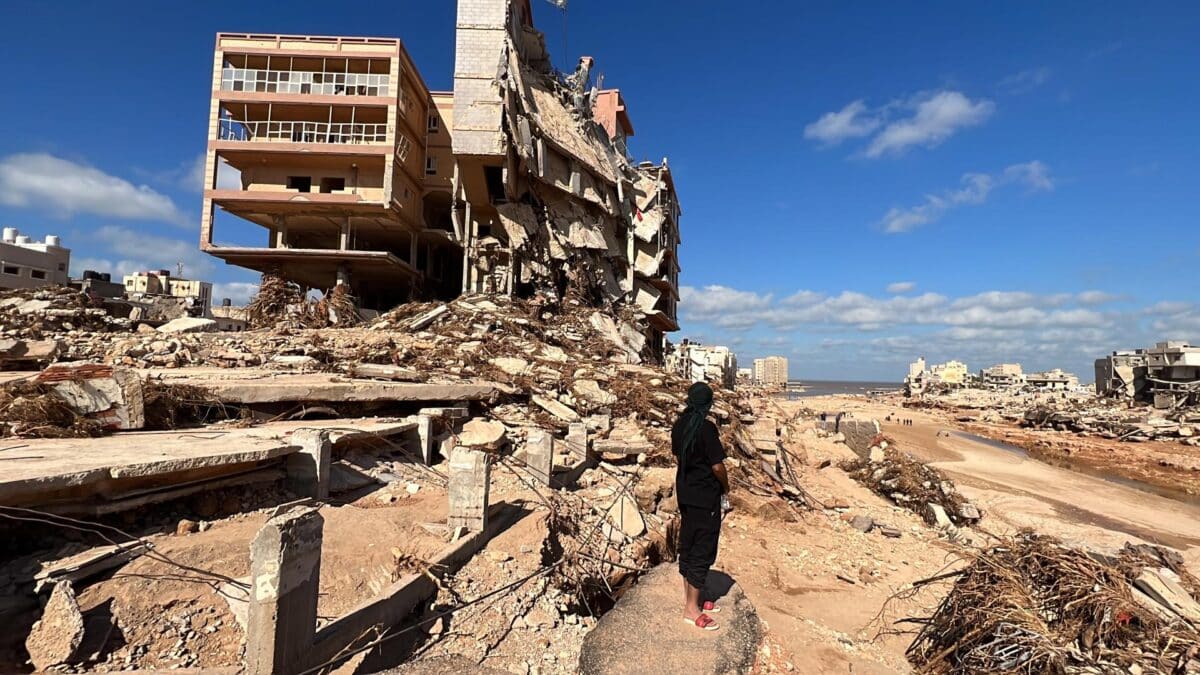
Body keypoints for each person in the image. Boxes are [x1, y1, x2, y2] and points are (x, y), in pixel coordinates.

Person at [672, 381, 730, 631]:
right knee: (703, 548)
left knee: (689, 541)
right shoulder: (706, 429)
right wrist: (726, 488)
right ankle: (690, 609)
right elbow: (717, 466)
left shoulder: (679, 426)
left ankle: (692, 598)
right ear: (707, 403)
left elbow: (678, 455)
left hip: (685, 494)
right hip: (705, 497)